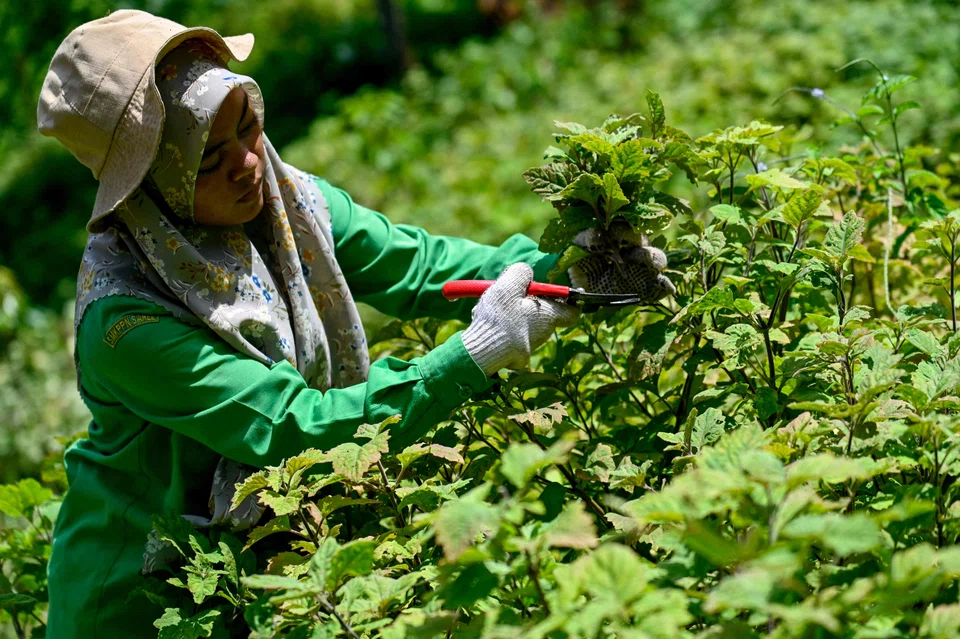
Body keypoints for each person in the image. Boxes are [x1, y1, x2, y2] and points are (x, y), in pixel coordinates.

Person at [35, 10, 673, 637]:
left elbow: (422, 266)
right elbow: (290, 428)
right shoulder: (127, 320)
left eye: (247, 126)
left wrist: (567, 267)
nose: (247, 163)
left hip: (259, 565)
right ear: (150, 182)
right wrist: (475, 352)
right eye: (207, 159)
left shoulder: (289, 205)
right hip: (138, 602)